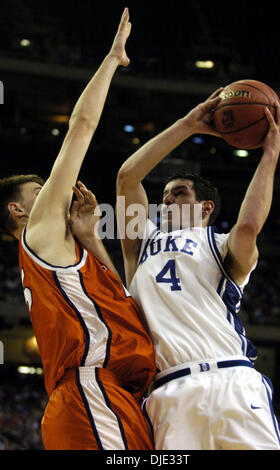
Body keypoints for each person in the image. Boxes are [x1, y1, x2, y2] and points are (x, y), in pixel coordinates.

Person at [0, 9, 156, 450]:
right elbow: (81, 128)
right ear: (18, 211)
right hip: (89, 390)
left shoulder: (64, 254)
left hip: (109, 393)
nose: (53, 192)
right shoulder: (39, 233)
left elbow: (118, 301)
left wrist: (90, 238)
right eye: (40, 190)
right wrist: (112, 59)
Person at [113, 89, 280, 450]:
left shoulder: (220, 242)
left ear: (206, 206)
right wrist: (188, 124)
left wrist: (270, 153)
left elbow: (248, 226)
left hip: (233, 380)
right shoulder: (140, 242)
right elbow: (128, 177)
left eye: (178, 194)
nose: (166, 201)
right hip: (170, 390)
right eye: (163, 197)